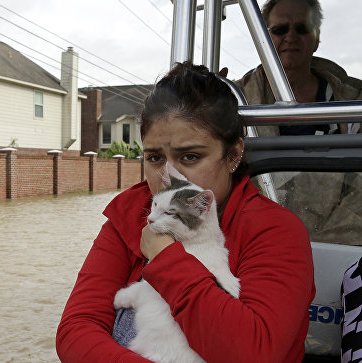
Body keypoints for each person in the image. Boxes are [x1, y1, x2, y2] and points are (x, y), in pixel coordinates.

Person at [56, 62, 315, 362]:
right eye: (155, 158)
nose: (169, 174)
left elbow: (255, 352)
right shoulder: (130, 215)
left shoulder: (275, 232)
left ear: (233, 155)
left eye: (190, 156)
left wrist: (166, 259)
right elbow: (76, 329)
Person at [235, 0, 362, 136]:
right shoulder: (234, 99)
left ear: (316, 38)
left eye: (302, 29)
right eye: (280, 29)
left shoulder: (355, 99)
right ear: (263, 39)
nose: (291, 37)